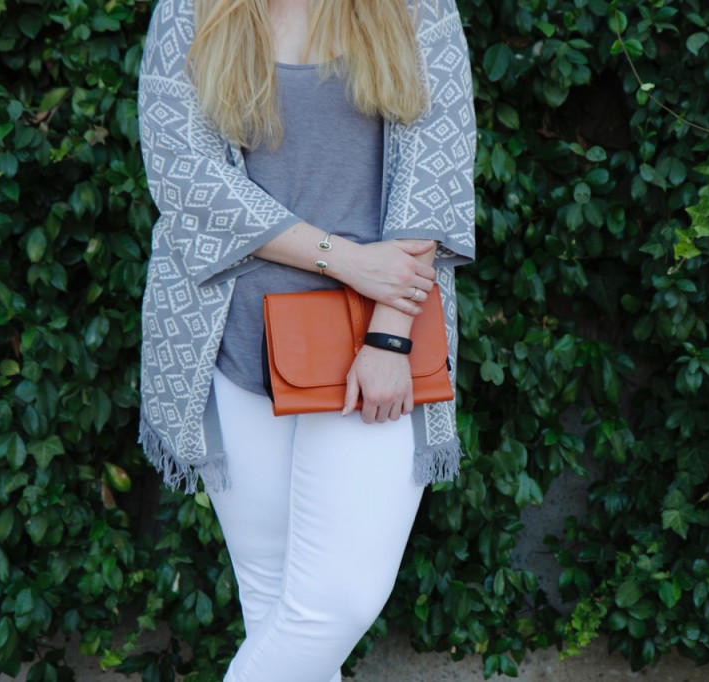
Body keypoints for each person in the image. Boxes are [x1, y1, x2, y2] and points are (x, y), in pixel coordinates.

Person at [135, 0, 475, 680]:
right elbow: (187, 175)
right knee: (272, 604)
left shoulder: (416, 7)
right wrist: (345, 259)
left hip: (375, 344)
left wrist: (391, 340)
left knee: (335, 602)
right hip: (232, 342)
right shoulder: (191, 8)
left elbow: (435, 175)